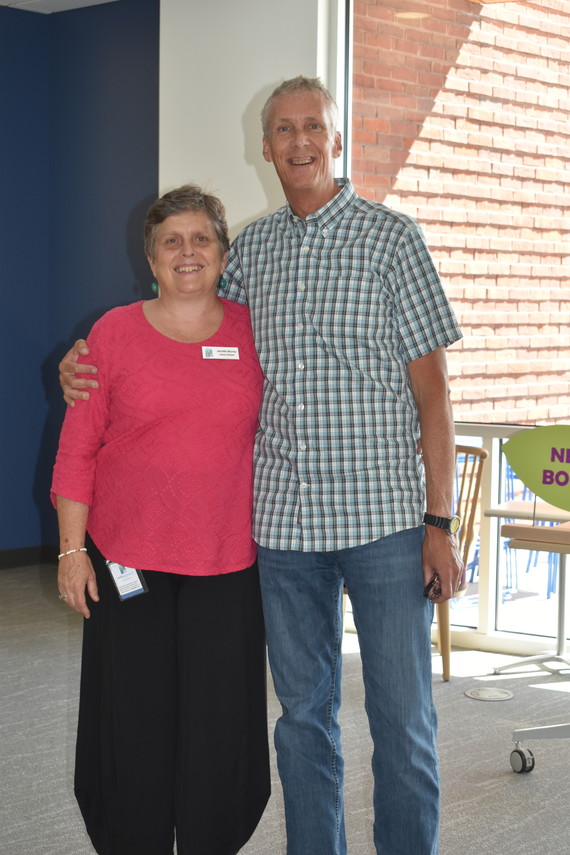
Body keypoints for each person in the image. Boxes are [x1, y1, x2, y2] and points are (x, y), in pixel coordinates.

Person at [59, 77, 464, 855]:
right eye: (284, 129)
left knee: (403, 724)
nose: (299, 141)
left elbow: (435, 399)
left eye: (314, 126)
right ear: (266, 146)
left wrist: (438, 521)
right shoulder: (253, 253)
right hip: (281, 537)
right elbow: (183, 332)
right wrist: (79, 365)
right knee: (302, 723)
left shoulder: (392, 239)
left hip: (382, 524)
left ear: (336, 141)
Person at [51, 184, 270, 855]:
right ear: (150, 255)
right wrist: (69, 550)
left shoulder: (253, 329)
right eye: (171, 240)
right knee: (134, 712)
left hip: (226, 559)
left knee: (217, 716)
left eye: (201, 238)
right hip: (126, 558)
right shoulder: (112, 332)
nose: (187, 251)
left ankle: (211, 839)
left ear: (224, 253)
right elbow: (78, 447)